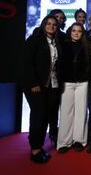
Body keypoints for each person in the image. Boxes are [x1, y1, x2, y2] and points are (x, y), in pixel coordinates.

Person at [23, 15, 61, 163]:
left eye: (54, 25)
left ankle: (37, 145)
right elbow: (27, 63)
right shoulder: (34, 40)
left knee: (44, 116)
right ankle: (35, 151)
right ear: (44, 24)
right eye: (49, 24)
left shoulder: (55, 42)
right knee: (38, 116)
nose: (51, 26)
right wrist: (33, 83)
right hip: (36, 86)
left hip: (51, 85)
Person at [57, 22, 91, 154]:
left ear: (82, 33)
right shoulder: (63, 45)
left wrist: (86, 77)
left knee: (81, 112)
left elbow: (90, 65)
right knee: (66, 113)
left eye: (79, 31)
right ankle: (64, 142)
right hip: (67, 82)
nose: (76, 33)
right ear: (70, 32)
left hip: (82, 82)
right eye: (74, 31)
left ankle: (79, 141)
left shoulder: (87, 46)